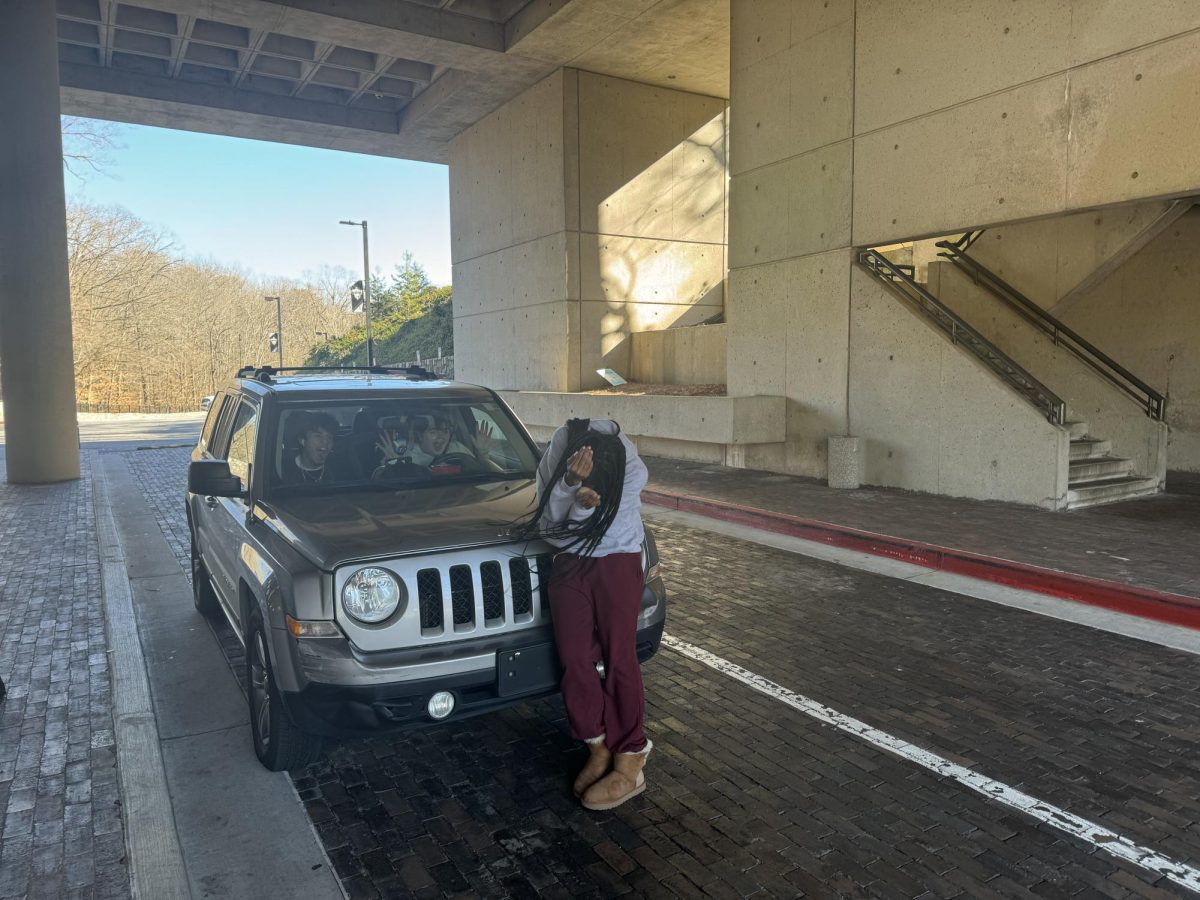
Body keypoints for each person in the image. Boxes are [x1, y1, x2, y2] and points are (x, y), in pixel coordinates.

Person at [520, 417, 651, 811]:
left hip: (619, 559)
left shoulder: (629, 468)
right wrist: (570, 488)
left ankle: (631, 757)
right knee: (575, 657)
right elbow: (548, 529)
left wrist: (579, 508)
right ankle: (596, 745)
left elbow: (598, 527)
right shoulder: (561, 451)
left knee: (619, 657)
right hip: (569, 564)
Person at [280, 412, 357, 485]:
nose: (325, 442)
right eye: (318, 436)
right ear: (303, 441)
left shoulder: (341, 470)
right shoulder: (284, 470)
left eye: (329, 437)